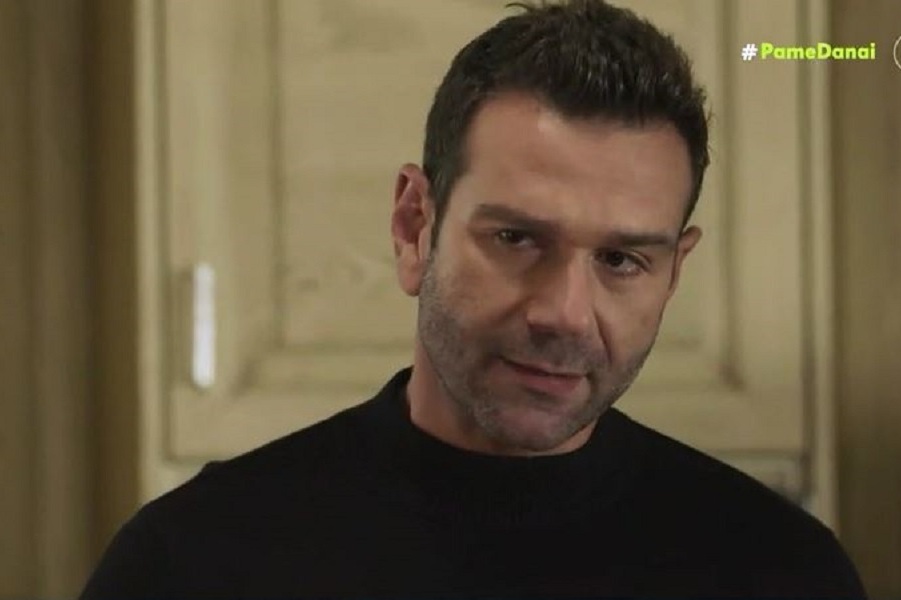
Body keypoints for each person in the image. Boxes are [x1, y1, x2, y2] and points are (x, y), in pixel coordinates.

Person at [80, 0, 867, 597]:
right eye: (516, 239)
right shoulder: (195, 561)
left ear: (673, 272)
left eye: (621, 260)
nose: (564, 313)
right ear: (413, 226)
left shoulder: (780, 570)